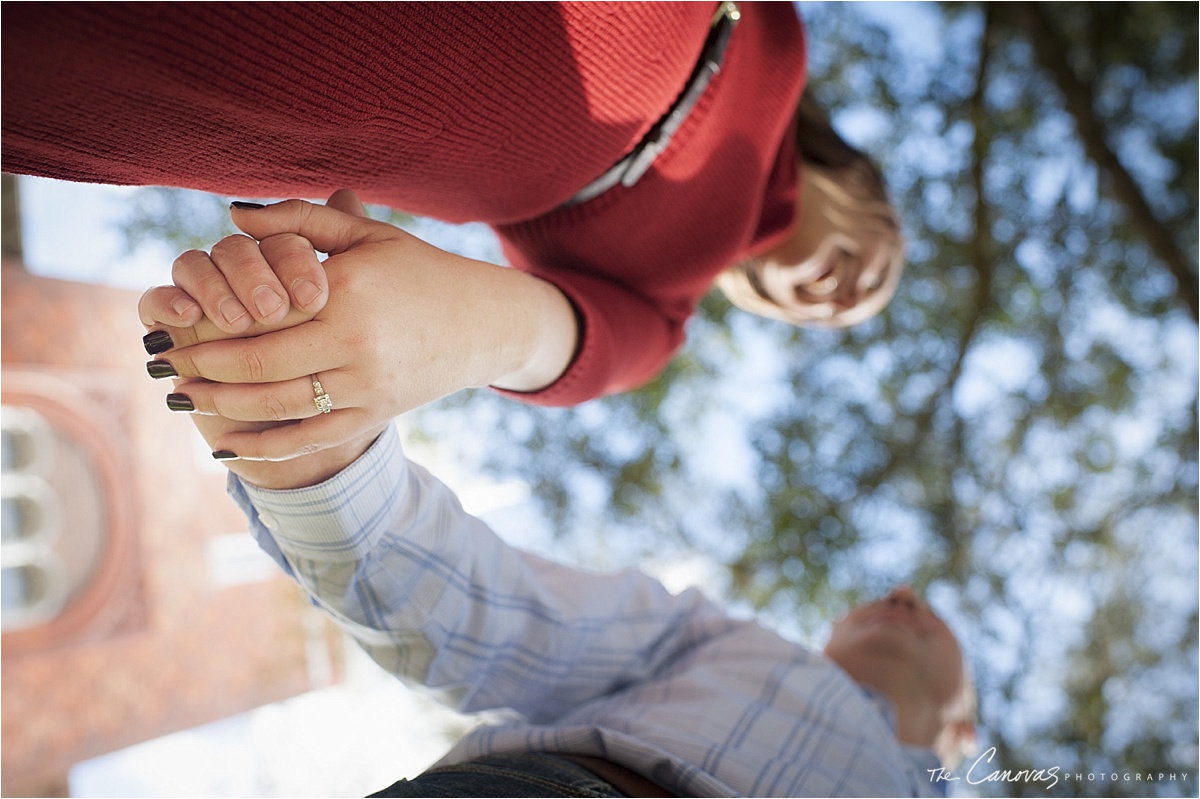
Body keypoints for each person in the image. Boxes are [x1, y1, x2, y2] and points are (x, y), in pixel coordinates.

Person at [5, 2, 905, 460]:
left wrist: (434, 333)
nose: (846, 300)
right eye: (881, 270)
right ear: (864, 188)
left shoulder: (663, 315)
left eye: (833, 323)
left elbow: (552, 338)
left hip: (333, 78)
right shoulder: (784, 36)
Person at [165, 382, 974, 796]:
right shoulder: (725, 640)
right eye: (899, 592)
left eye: (929, 610)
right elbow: (511, 621)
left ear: (965, 730)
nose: (903, 594)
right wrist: (317, 459)